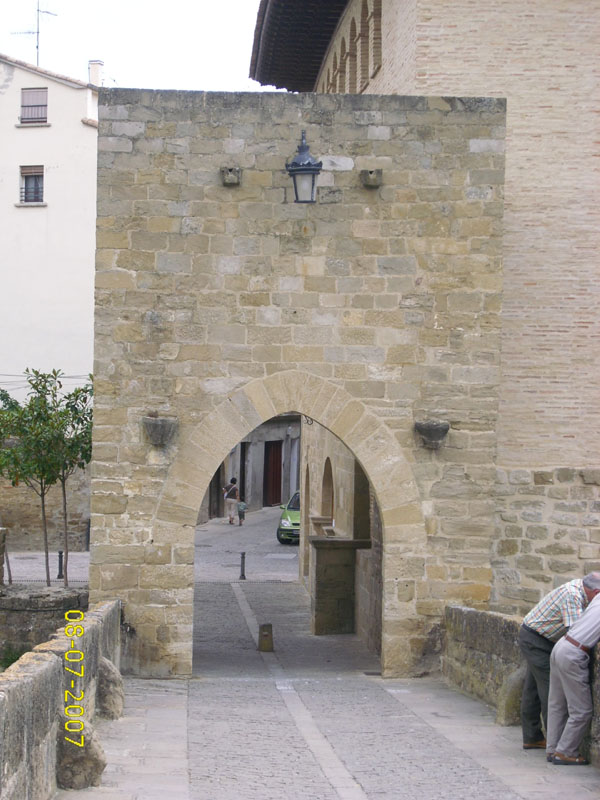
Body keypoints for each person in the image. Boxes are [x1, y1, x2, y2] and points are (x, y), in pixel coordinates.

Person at [518, 572, 600, 750]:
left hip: (539, 637)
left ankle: (532, 737)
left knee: (532, 689)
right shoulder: (572, 595)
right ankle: (557, 745)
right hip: (538, 640)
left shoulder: (580, 589)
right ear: (595, 592)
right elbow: (576, 630)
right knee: (550, 690)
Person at [547, 588, 600, 765]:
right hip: (574, 652)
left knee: (556, 704)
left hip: (562, 644)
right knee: (582, 710)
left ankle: (552, 749)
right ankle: (565, 752)